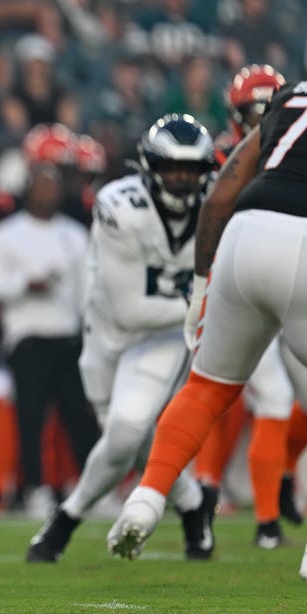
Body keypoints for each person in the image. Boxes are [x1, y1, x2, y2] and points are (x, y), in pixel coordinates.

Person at [106, 80, 307, 568]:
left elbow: (219, 197)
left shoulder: (293, 96)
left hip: (244, 231)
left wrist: (200, 289)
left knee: (206, 388)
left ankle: (147, 498)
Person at [26, 114, 217, 563]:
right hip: (108, 334)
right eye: (174, 168)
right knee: (132, 440)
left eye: (192, 170)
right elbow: (129, 309)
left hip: (164, 338)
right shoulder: (120, 204)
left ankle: (63, 523)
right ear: (150, 166)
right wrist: (203, 309)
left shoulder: (216, 209)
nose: (183, 179)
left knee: (126, 430)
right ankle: (193, 506)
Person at [0, 149, 99, 520]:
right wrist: (24, 284)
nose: (48, 192)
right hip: (28, 334)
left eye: (53, 186)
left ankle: (93, 489)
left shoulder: (75, 234)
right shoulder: (5, 233)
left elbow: (88, 292)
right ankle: (36, 489)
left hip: (66, 334)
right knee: (31, 418)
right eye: (41, 185)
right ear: (28, 189)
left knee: (81, 417)